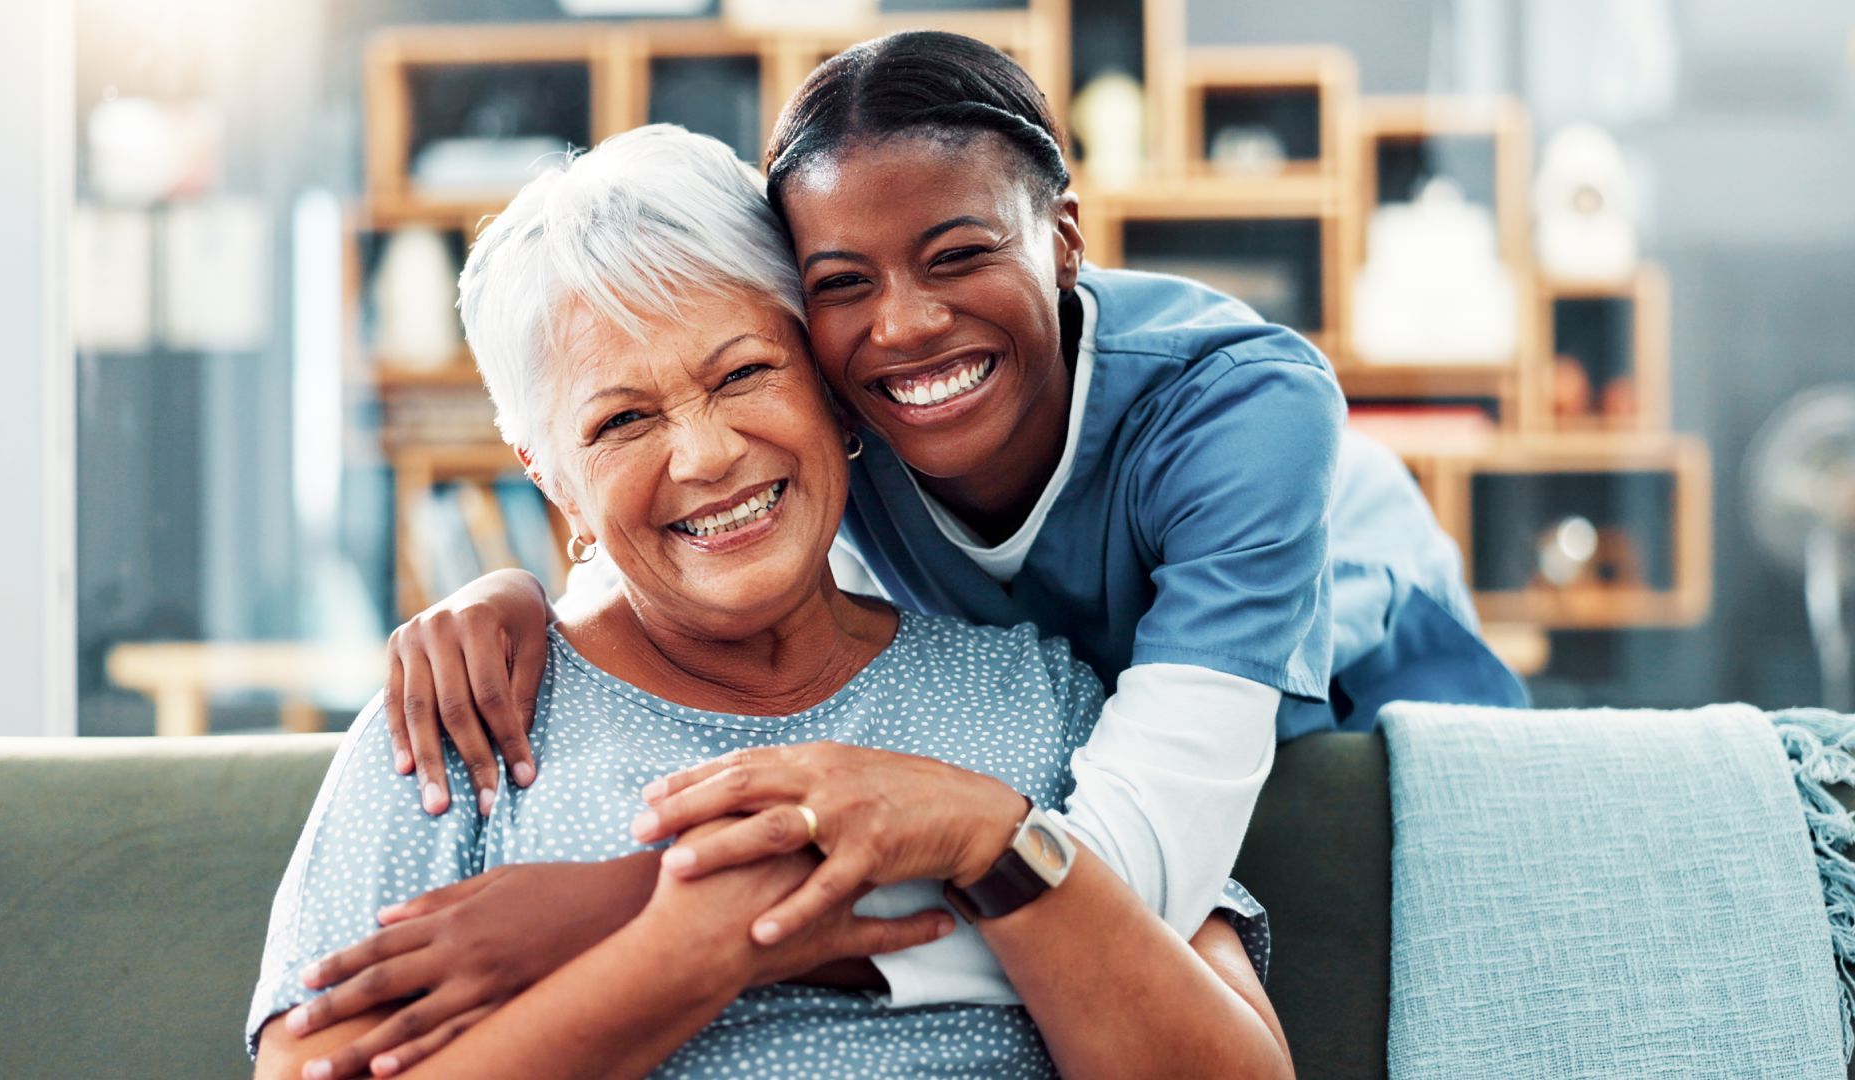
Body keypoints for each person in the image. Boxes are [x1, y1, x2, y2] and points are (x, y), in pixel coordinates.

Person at [384, 26, 1524, 947]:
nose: (907, 327)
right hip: (1105, 731)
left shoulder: (1237, 408)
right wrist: (524, 598)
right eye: (843, 281)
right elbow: (698, 553)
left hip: (1359, 666)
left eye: (961, 253)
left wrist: (621, 913)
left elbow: (1135, 885)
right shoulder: (838, 414)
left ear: (1065, 238)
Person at [248, 124, 1289, 1079]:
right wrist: (694, 946)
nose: (705, 455)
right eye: (620, 423)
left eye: (744, 373)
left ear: (829, 388)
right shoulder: (462, 716)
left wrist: (993, 838)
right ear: (549, 475)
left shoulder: (1029, 693)